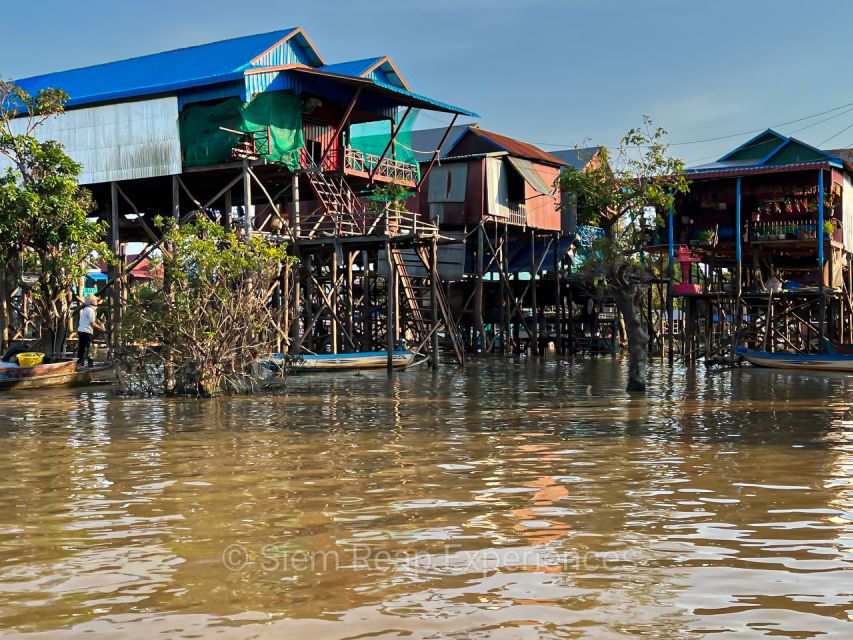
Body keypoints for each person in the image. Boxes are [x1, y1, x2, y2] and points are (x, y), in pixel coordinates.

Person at [77, 295, 104, 367]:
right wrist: (101, 328)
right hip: (86, 331)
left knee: (81, 348)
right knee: (91, 348)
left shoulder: (86, 309)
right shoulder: (91, 310)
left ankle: (78, 363)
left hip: (81, 330)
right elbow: (93, 323)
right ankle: (90, 365)